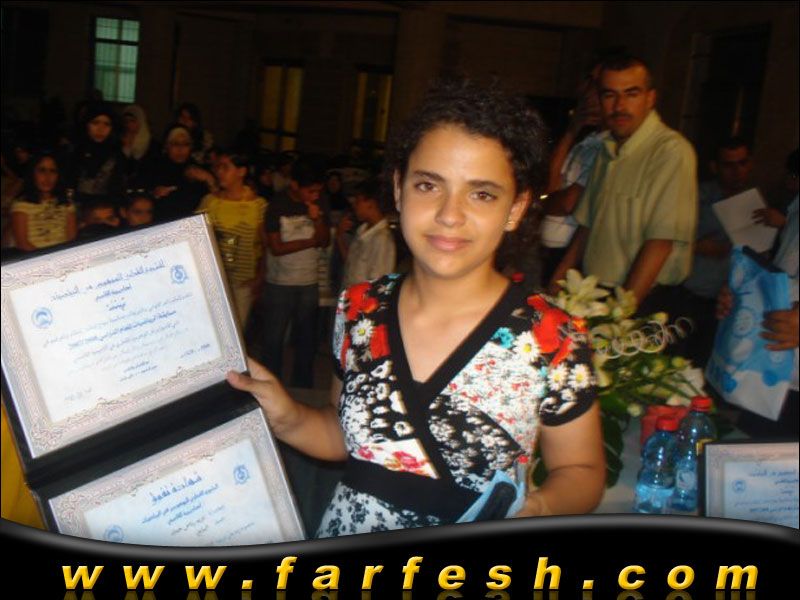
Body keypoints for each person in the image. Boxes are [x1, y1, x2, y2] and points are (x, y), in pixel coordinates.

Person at [228, 78, 605, 537]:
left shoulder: (550, 336)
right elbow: (350, 439)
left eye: (482, 194)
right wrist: (287, 416)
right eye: (428, 185)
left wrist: (539, 508)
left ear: (515, 208)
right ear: (399, 190)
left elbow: (582, 471)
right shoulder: (360, 310)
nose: (450, 214)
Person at [549, 55, 697, 315]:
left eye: (631, 94)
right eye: (610, 95)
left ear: (650, 98)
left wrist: (621, 317)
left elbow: (660, 243)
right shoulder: (607, 150)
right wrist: (556, 284)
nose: (619, 106)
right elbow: (587, 226)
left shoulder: (670, 152)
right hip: (594, 294)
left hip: (641, 300)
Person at [679, 137, 754, 366]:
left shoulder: (755, 202)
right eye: (729, 165)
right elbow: (668, 237)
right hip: (691, 297)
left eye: (742, 163)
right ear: (715, 167)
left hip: (730, 305)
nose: (737, 171)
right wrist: (697, 246)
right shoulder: (696, 196)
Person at [260, 158, 330, 388]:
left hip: (309, 281)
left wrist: (317, 218)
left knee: (307, 339)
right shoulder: (277, 205)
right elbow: (276, 248)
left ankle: (302, 385)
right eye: (310, 190)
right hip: (279, 283)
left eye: (318, 190)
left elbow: (325, 240)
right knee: (274, 339)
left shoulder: (319, 203)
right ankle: (271, 387)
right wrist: (311, 241)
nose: (315, 195)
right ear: (295, 185)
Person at [540, 62, 604, 283]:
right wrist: (571, 130)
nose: (586, 90)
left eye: (596, 84)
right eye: (588, 80)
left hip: (571, 257)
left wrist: (541, 203)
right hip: (549, 250)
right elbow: (548, 185)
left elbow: (568, 203)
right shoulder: (586, 140)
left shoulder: (608, 147)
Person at [196, 149, 268, 323]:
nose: (219, 172)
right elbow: (197, 239)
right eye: (218, 167)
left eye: (225, 167)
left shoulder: (257, 205)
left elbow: (266, 245)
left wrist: (260, 277)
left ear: (241, 171)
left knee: (237, 328)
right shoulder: (210, 202)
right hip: (213, 278)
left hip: (243, 282)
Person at [337, 177, 396, 290]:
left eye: (358, 201)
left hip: (362, 300)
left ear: (371, 204)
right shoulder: (362, 231)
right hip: (351, 296)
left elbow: (378, 283)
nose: (354, 205)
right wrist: (339, 237)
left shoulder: (382, 239)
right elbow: (351, 264)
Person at [10, 153, 77, 251]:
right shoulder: (21, 205)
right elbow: (22, 243)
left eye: (52, 171)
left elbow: (71, 240)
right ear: (32, 174)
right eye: (42, 170)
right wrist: (47, 258)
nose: (47, 176)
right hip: (35, 256)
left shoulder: (66, 204)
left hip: (63, 255)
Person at [148, 125, 215, 223]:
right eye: (175, 144)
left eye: (185, 144)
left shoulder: (199, 170)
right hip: (164, 223)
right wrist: (154, 194)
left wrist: (209, 179)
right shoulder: (154, 169)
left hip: (195, 223)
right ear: (166, 146)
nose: (180, 149)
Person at [68, 102, 126, 206]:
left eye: (106, 124)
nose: (101, 129)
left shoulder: (117, 156)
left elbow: (118, 191)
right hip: (76, 208)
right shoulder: (74, 153)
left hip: (106, 209)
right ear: (87, 125)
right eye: (95, 123)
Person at [120, 104, 159, 189]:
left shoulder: (153, 145)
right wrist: (126, 149)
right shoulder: (119, 143)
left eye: (132, 121)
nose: (128, 125)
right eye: (126, 121)